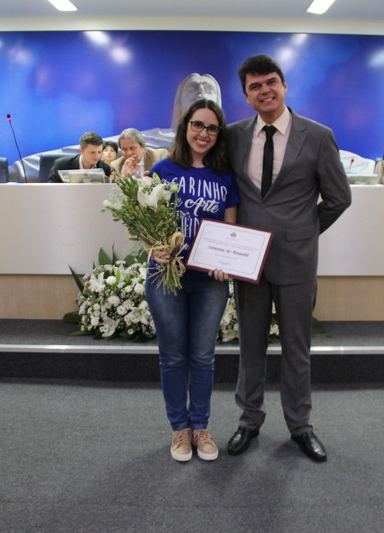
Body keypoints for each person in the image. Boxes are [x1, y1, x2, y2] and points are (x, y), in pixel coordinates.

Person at [225, 54, 352, 462]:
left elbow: (338, 198)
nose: (265, 91)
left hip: (296, 260)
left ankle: (300, 426)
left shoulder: (317, 136)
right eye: (255, 86)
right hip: (248, 260)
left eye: (271, 82)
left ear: (284, 86)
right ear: (246, 96)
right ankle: (249, 421)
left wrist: (303, 230)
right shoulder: (234, 136)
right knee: (250, 346)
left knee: (297, 348)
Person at [145, 98, 240, 462]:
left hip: (208, 281)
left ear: (219, 134)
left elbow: (231, 229)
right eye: (198, 125)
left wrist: (226, 261)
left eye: (212, 128)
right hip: (166, 276)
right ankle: (179, 430)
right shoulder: (164, 170)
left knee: (203, 357)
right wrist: (154, 249)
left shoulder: (224, 175)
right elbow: (147, 224)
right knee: (172, 358)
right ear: (186, 127)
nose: (204, 133)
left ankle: (200, 426)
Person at [47, 131, 112, 183]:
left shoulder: (105, 168)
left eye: (99, 152)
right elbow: (50, 190)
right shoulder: (61, 165)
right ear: (81, 151)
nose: (97, 156)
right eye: (92, 152)